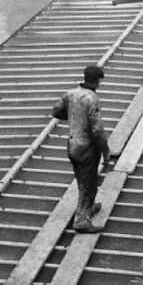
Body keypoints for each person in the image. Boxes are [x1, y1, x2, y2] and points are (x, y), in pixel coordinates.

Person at [52, 64, 110, 233]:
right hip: (87, 149)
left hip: (72, 146)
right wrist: (106, 151)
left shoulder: (70, 94)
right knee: (89, 184)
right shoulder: (91, 98)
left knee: (82, 181)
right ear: (97, 81)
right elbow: (97, 130)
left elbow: (56, 111)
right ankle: (81, 221)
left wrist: (73, 116)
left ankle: (89, 207)